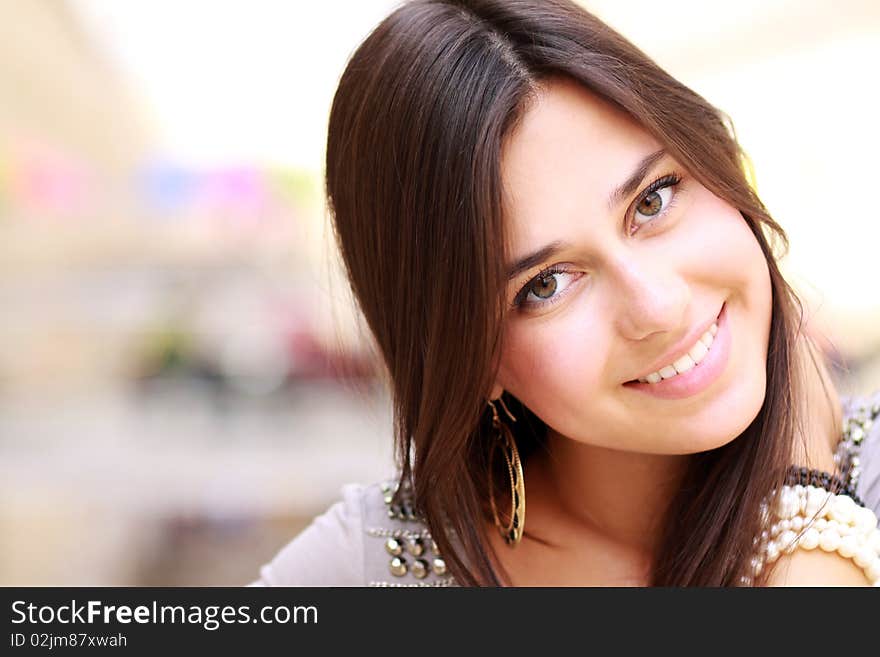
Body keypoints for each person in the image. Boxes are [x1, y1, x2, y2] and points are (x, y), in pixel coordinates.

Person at [250, 0, 880, 587]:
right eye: (546, 285)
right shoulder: (366, 570)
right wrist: (807, 500)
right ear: (470, 357)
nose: (657, 308)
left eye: (653, 200)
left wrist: (807, 504)